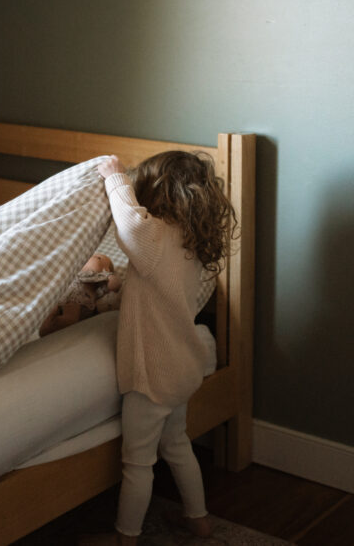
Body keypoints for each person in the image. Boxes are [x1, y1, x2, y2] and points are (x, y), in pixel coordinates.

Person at [88, 151, 237, 545]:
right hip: (183, 368)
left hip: (151, 376)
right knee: (177, 444)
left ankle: (126, 537)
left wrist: (115, 177)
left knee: (137, 462)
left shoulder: (153, 236)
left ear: (154, 193)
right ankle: (199, 519)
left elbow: (130, 224)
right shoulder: (191, 243)